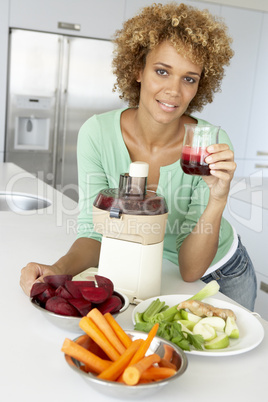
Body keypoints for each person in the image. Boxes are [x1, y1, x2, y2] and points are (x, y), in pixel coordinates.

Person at [20, 2, 257, 310]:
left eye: (189, 78)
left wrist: (218, 198)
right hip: (152, 269)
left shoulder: (207, 144)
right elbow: (94, 233)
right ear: (137, 70)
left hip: (221, 272)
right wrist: (57, 271)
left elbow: (190, 270)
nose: (174, 90)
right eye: (162, 71)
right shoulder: (98, 133)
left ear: (200, 85)